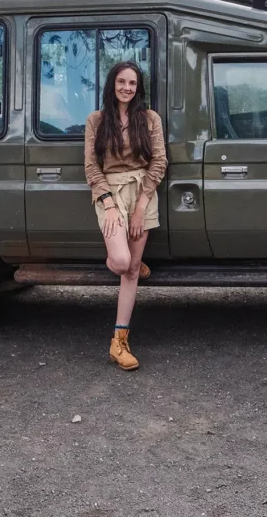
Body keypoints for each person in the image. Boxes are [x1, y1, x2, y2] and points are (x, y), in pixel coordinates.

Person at [84, 61, 167, 371]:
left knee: (130, 271)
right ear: (112, 84)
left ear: (138, 88)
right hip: (109, 194)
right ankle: (133, 262)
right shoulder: (96, 120)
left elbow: (159, 162)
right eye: (122, 82)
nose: (127, 88)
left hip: (142, 191)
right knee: (121, 263)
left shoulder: (149, 119)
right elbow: (91, 167)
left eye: (132, 83)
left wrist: (141, 207)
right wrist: (108, 203)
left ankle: (119, 341)